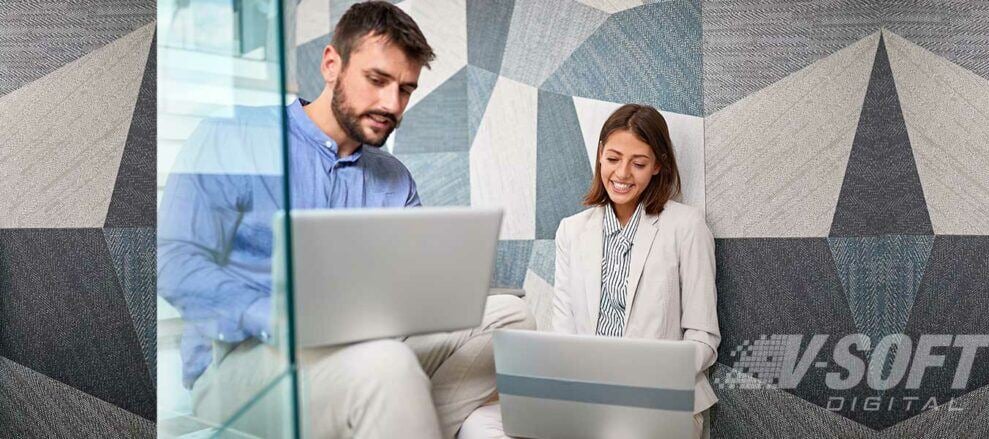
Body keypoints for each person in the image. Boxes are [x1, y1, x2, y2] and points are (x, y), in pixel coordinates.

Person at [158, 2, 533, 438]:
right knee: (385, 365)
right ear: (332, 64)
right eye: (377, 80)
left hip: (367, 351)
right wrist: (274, 316)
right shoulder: (234, 136)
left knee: (512, 320)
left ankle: (398, 421)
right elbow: (174, 260)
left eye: (405, 90)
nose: (391, 103)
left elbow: (409, 287)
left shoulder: (394, 179)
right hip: (245, 360)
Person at [459, 104, 719, 439]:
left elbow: (704, 338)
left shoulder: (686, 226)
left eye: (638, 163)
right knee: (479, 424)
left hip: (661, 401)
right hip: (585, 396)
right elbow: (564, 331)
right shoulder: (571, 230)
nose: (622, 173)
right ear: (599, 156)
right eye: (613, 158)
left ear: (658, 165)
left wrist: (648, 375)